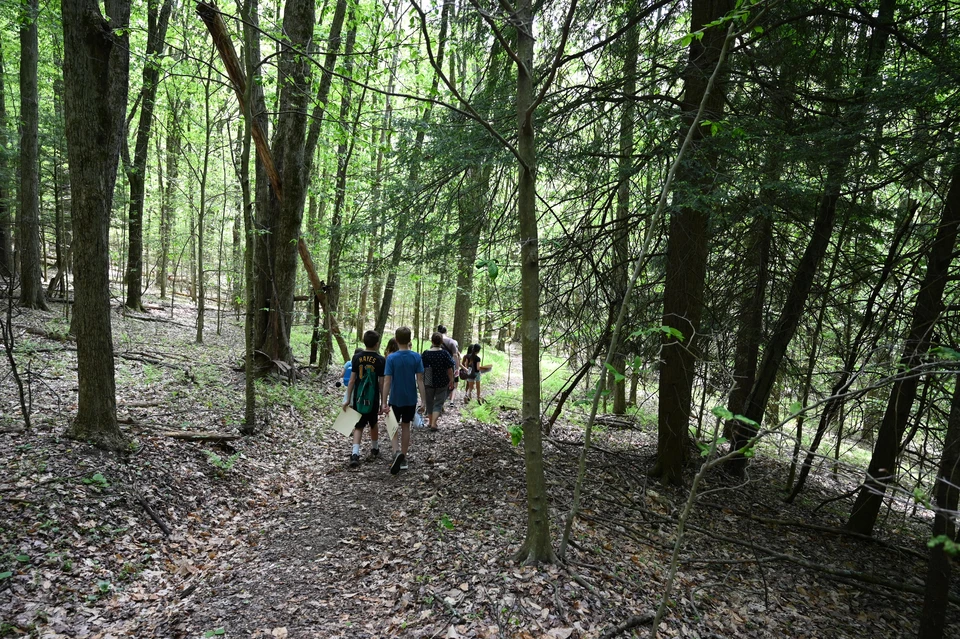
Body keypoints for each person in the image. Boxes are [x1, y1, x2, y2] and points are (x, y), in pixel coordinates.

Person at [381, 327, 427, 475]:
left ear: (396, 338)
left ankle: (396, 452)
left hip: (395, 398)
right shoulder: (416, 357)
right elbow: (420, 380)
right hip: (411, 398)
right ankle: (404, 458)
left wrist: (383, 401)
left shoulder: (391, 358)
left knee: (393, 426)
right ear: (410, 339)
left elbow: (387, 381)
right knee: (406, 426)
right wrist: (423, 401)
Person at [342, 332, 385, 468]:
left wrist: (348, 399)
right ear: (377, 344)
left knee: (358, 426)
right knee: (373, 423)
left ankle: (355, 453)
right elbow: (381, 383)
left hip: (358, 398)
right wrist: (383, 401)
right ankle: (375, 448)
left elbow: (352, 380)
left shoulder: (356, 357)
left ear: (364, 342)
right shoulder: (380, 360)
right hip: (372, 398)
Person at [421, 332, 455, 431]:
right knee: (439, 402)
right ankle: (433, 423)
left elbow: (421, 367)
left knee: (429, 401)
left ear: (432, 341)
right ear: (441, 342)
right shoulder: (445, 354)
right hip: (442, 379)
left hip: (428, 379)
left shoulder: (426, 353)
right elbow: (449, 369)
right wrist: (451, 380)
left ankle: (430, 421)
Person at [437, 325, 460, 405]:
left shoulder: (435, 341)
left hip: (437, 365)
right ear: (446, 332)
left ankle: (439, 402)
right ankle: (441, 402)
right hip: (449, 366)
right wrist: (457, 368)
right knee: (450, 384)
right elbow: (455, 355)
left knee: (438, 384)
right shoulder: (451, 342)